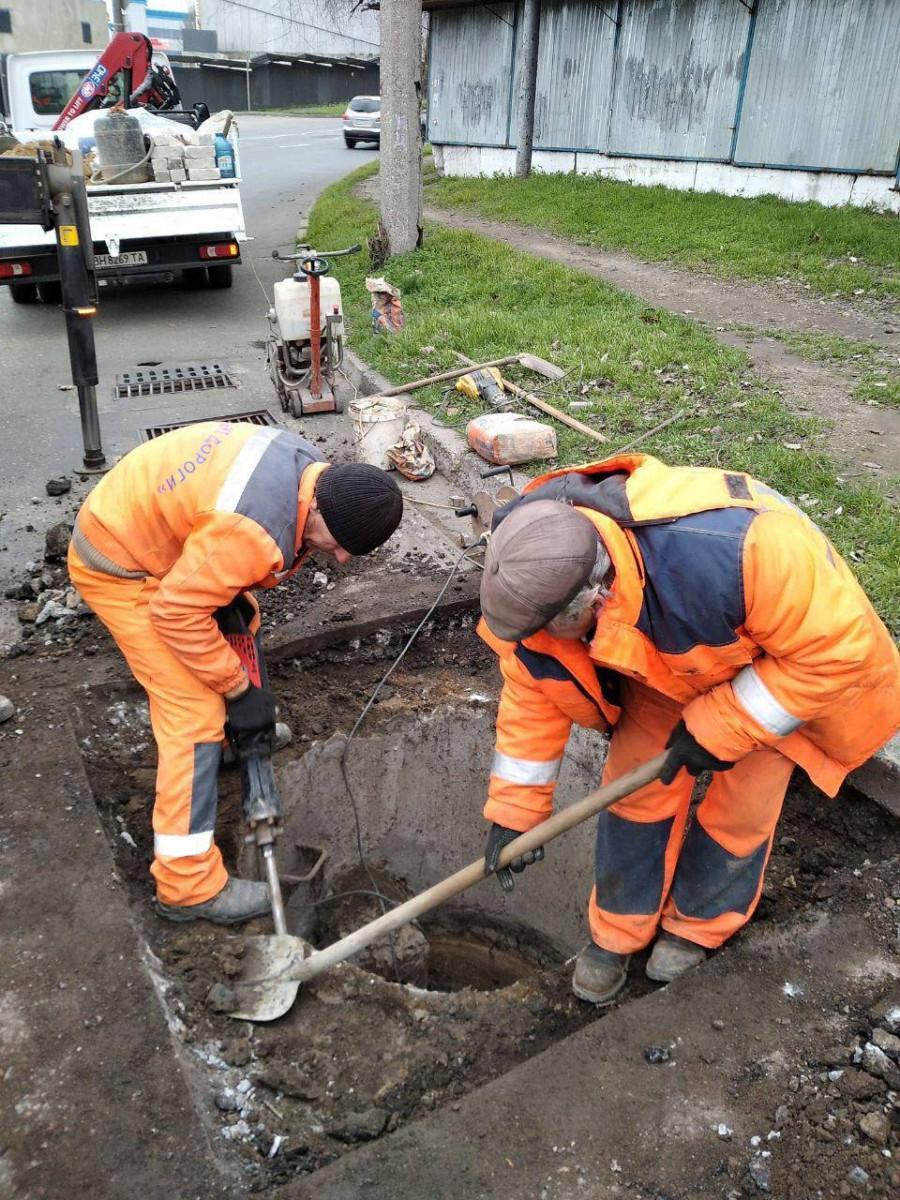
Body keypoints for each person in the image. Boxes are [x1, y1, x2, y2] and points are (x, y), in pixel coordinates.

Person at [478, 454, 899, 1004]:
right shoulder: (533, 572)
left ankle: (696, 927)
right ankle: (616, 936)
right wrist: (514, 814)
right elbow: (534, 695)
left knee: (743, 805)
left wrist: (723, 726)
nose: (546, 642)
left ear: (597, 597)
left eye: (557, 630)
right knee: (633, 793)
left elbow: (833, 653)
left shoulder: (743, 553)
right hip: (664, 664)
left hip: (776, 668)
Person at [69, 421, 402, 924]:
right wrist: (239, 691)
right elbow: (175, 613)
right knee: (193, 712)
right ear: (317, 506)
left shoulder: (307, 471)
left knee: (241, 627)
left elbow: (219, 553)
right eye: (338, 544)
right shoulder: (251, 532)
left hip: (166, 541)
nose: (339, 558)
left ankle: (230, 745)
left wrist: (229, 636)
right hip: (122, 565)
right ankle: (186, 886)